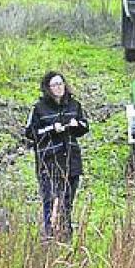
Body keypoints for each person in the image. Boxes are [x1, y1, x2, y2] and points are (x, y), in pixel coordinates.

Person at [24, 71, 89, 240]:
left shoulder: (74, 105)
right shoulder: (39, 108)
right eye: (54, 85)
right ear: (48, 88)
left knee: (67, 202)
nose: (58, 88)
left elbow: (84, 126)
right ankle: (50, 235)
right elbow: (31, 132)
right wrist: (52, 129)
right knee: (51, 200)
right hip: (49, 162)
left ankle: (66, 236)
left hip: (71, 161)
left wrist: (76, 125)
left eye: (60, 84)